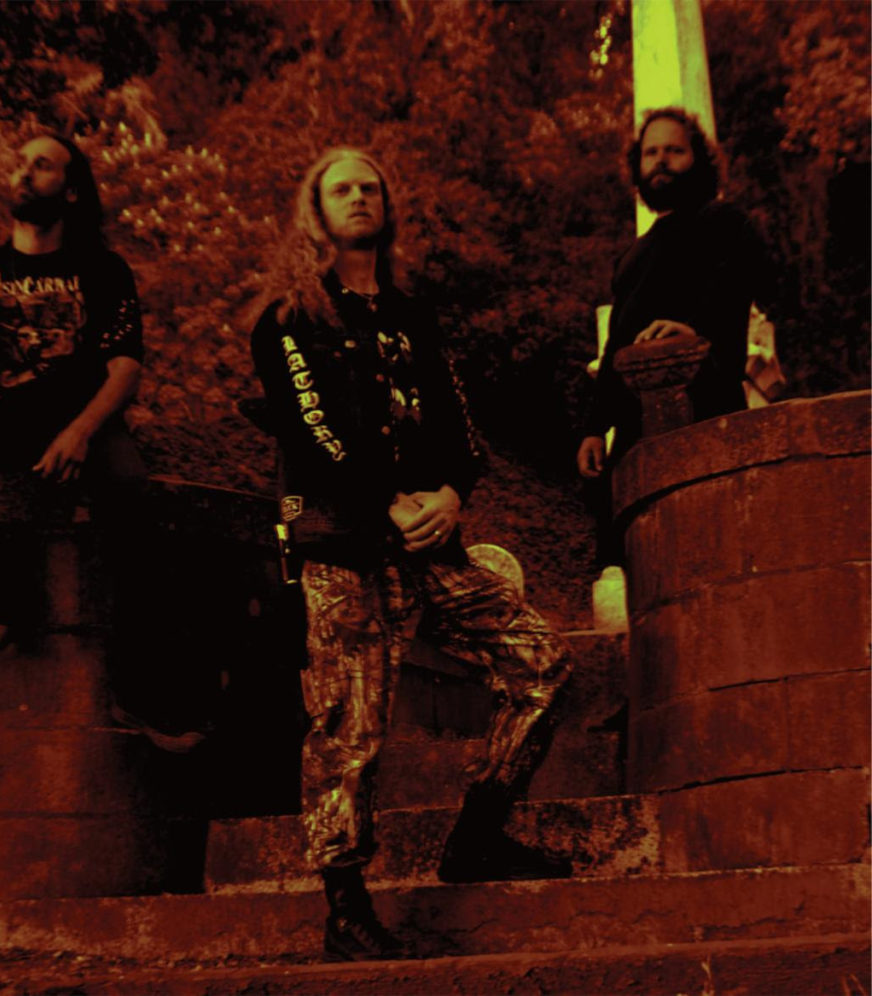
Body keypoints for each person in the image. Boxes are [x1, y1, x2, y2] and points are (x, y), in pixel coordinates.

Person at [250, 147, 574, 962]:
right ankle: (345, 908)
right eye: (342, 189)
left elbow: (459, 429)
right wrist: (387, 502)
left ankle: (478, 835)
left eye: (370, 187)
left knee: (542, 664)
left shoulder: (413, 316)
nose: (359, 197)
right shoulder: (288, 320)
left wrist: (452, 495)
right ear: (316, 211)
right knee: (346, 729)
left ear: (386, 207)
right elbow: (310, 428)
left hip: (431, 545)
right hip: (343, 545)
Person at [0, 133, 202, 749]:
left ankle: (146, 692)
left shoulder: (103, 270)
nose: (24, 172)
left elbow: (125, 369)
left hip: (82, 420)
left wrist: (81, 432)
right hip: (8, 421)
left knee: (133, 499)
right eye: (21, 163)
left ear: (70, 189)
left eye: (41, 165)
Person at [577, 107, 772, 562]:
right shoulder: (633, 257)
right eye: (650, 153)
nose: (660, 161)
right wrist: (594, 428)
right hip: (635, 441)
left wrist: (695, 333)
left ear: (698, 159)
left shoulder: (727, 224)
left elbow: (734, 300)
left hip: (706, 419)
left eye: (674, 151)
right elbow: (616, 346)